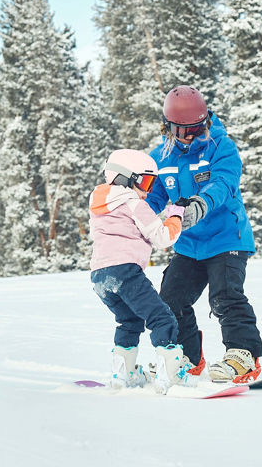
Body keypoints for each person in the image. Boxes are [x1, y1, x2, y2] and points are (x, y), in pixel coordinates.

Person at [145, 85, 262, 384]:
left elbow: (224, 184)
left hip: (227, 237)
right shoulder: (160, 156)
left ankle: (242, 355)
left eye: (198, 127)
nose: (191, 135)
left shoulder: (221, 146)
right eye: (183, 130)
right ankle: (187, 355)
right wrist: (133, 220)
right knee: (171, 299)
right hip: (189, 243)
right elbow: (153, 197)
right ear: (168, 127)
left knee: (224, 295)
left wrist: (200, 204)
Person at [89, 148, 198, 392]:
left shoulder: (99, 202)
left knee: (129, 321)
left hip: (99, 276)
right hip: (126, 272)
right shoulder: (133, 203)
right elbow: (163, 237)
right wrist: (176, 215)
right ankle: (172, 373)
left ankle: (122, 374)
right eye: (145, 181)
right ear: (126, 178)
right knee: (162, 317)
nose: (147, 190)